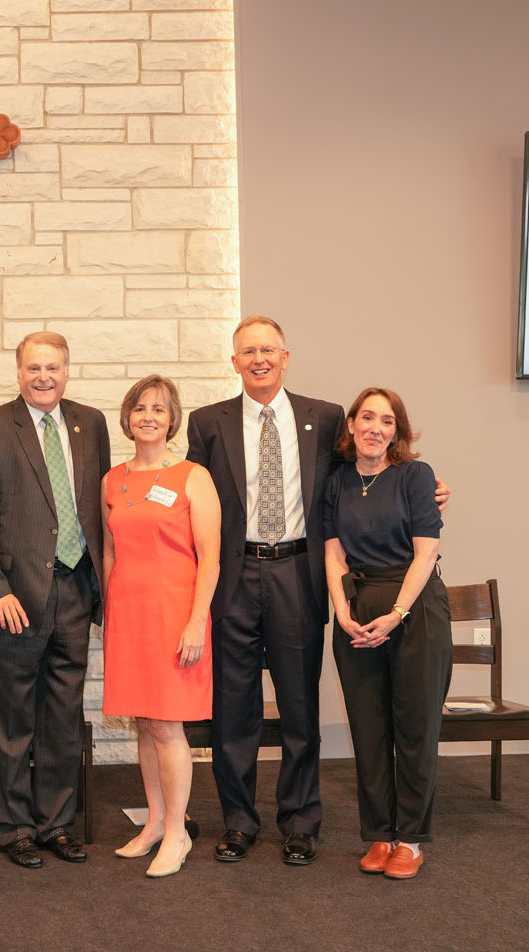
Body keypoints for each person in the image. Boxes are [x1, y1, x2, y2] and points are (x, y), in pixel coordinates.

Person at [186, 315, 447, 868]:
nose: (259, 359)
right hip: (233, 578)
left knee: (301, 705)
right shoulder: (207, 423)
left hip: (298, 574)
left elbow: (372, 466)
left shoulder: (325, 417)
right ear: (233, 361)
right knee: (233, 709)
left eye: (269, 350)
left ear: (286, 357)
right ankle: (237, 822)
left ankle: (300, 822)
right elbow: (192, 497)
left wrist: (431, 485)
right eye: (247, 351)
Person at [0, 331, 109, 869]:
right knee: (10, 718)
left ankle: (57, 824)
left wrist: (103, 588)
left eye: (53, 367)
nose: (43, 377)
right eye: (33, 368)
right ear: (18, 372)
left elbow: (97, 509)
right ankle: (13, 826)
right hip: (12, 599)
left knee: (63, 718)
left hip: (74, 589)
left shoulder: (91, 423)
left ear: (68, 370)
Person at [323, 388, 450, 880]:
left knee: (415, 728)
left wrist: (396, 613)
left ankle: (412, 839)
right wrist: (342, 612)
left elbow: (426, 553)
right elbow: (333, 556)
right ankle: (379, 833)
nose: (377, 428)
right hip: (356, 612)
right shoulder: (336, 483)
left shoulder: (414, 477)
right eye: (368, 418)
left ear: (398, 431)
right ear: (351, 424)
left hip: (415, 610)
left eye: (388, 421)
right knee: (368, 728)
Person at [102, 376, 221, 878]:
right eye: (140, 408)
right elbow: (110, 553)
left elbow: (211, 558)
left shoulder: (194, 476)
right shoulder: (113, 479)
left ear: (173, 419)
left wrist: (196, 621)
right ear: (127, 417)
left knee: (170, 725)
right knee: (145, 724)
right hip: (128, 615)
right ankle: (154, 822)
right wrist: (110, 615)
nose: (149, 416)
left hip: (176, 615)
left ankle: (177, 833)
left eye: (159, 409)